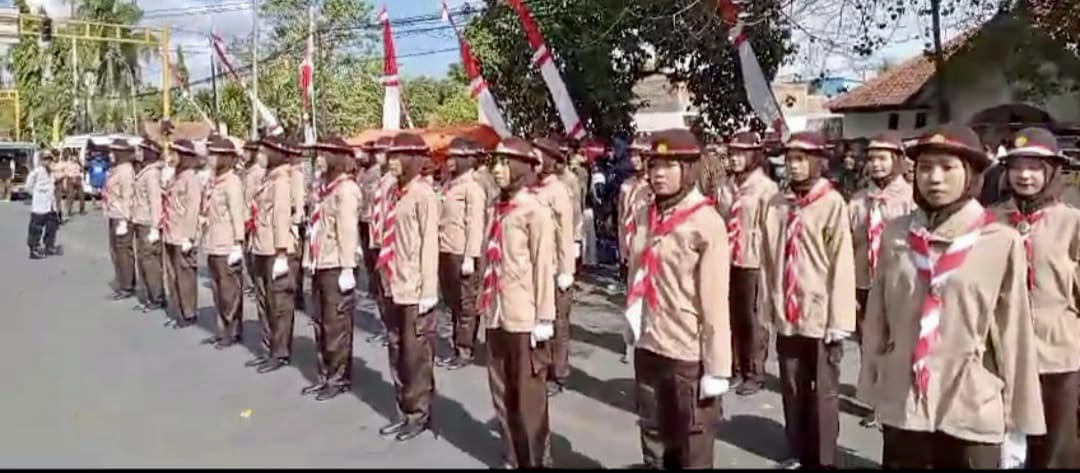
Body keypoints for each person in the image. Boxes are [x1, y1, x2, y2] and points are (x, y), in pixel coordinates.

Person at [859, 124, 1046, 469]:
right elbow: (877, 319)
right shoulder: (897, 235)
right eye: (926, 168)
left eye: (948, 168)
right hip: (906, 398)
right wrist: (872, 382)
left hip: (970, 401)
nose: (934, 178)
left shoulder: (999, 240)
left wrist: (1019, 418)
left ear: (971, 174)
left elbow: (1013, 334)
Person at [623, 129, 731, 468]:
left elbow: (714, 303)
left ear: (689, 169)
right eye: (654, 165)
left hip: (687, 352)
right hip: (650, 343)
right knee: (653, 435)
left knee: (690, 445)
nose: (658, 173)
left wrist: (717, 367)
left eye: (669, 166)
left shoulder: (705, 222)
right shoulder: (648, 213)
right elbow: (637, 271)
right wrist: (633, 320)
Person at [761, 131, 856, 469]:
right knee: (791, 383)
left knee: (823, 390)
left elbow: (842, 265)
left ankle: (822, 458)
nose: (795, 166)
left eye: (802, 160)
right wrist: (768, 307)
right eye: (790, 160)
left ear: (819, 163)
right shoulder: (778, 204)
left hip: (821, 314)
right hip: (788, 311)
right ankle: (797, 448)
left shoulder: (831, 204)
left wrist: (839, 321)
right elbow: (768, 259)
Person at [990, 127, 1079, 468]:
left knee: (1055, 446)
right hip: (1002, 351)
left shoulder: (1072, 223)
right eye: (1017, 167)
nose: (1024, 175)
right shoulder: (991, 220)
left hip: (1057, 352)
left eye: (1035, 167)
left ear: (1052, 171)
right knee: (1001, 443)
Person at [482, 137, 556, 468]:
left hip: (524, 316)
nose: (496, 170)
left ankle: (535, 459)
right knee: (502, 391)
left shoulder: (534, 211)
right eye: (494, 163)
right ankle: (513, 455)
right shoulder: (496, 207)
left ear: (521, 168)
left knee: (529, 397)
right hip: (497, 312)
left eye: (503, 163)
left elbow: (543, 266)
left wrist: (545, 318)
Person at [375, 132, 440, 442]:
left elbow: (429, 245)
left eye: (398, 156)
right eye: (391, 155)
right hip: (393, 282)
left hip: (415, 287)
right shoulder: (394, 192)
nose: (392, 161)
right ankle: (403, 409)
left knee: (415, 354)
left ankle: (419, 413)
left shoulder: (423, 195)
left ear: (413, 160)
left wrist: (428, 290)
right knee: (396, 348)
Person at [847, 132, 915, 428]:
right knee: (870, 341)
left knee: (898, 342)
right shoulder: (860, 200)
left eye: (882, 158)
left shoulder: (911, 199)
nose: (876, 164)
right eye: (872, 158)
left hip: (898, 284)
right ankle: (875, 400)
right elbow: (847, 242)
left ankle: (902, 398)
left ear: (897, 161)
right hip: (864, 282)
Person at [716, 131, 779, 397]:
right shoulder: (726, 186)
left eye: (741, 154)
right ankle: (735, 368)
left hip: (754, 260)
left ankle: (754, 372)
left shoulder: (767, 188)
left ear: (754, 156)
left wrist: (772, 266)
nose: (735, 159)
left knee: (753, 318)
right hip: (728, 258)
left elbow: (772, 231)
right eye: (732, 154)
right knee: (730, 316)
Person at [302, 136, 362, 401]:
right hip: (320, 261)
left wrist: (348, 267)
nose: (319, 158)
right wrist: (308, 258)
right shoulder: (324, 187)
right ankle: (325, 372)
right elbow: (313, 228)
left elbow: (348, 231)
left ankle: (338, 377)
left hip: (337, 263)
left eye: (324, 154)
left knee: (336, 323)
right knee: (320, 322)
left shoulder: (346, 190)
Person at [247, 135, 302, 373]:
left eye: (264, 150)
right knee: (264, 300)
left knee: (278, 303)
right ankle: (268, 346)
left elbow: (281, 216)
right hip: (260, 245)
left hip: (276, 248)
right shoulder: (267, 179)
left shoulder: (282, 181)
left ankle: (280, 351)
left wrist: (281, 252)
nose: (261, 154)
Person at [532, 136, 578, 397]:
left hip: (554, 267)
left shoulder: (559, 190)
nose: (534, 161)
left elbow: (566, 234)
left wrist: (566, 271)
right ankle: (541, 366)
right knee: (540, 319)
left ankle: (558, 373)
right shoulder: (533, 189)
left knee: (558, 323)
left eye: (538, 157)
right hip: (536, 267)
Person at [435, 137, 487, 370]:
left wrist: (470, 257)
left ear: (468, 159)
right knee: (453, 301)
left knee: (466, 302)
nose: (449, 161)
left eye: (455, 156)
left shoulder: (472, 188)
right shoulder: (450, 185)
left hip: (461, 252)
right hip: (445, 249)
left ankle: (465, 348)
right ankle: (458, 343)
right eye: (449, 156)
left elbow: (474, 224)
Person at [201, 137, 246, 350]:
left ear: (226, 158)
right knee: (218, 289)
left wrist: (238, 243)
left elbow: (238, 214)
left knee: (230, 290)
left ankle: (232, 330)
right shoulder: (214, 181)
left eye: (214, 154)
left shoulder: (232, 183)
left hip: (227, 242)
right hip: (212, 241)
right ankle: (222, 330)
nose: (210, 158)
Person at [161, 139, 205, 329]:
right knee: (172, 274)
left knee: (185, 273)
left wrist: (189, 236)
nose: (172, 157)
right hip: (170, 231)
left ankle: (189, 312)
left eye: (175, 153)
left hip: (182, 234)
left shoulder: (190, 178)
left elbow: (192, 208)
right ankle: (178, 308)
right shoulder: (176, 176)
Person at [130, 138, 167, 313]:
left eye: (141, 150)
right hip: (140, 220)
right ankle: (148, 296)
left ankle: (156, 296)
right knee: (143, 260)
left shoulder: (151, 174)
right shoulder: (144, 171)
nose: (138, 153)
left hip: (147, 223)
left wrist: (155, 227)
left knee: (150, 261)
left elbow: (155, 202)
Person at [105, 139, 137, 301]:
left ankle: (127, 285)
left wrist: (125, 219)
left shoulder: (125, 171)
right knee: (116, 251)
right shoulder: (116, 169)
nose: (110, 154)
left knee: (123, 251)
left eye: (114, 151)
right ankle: (122, 281)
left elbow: (128, 196)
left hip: (121, 216)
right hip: (113, 214)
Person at [25, 150, 61, 259]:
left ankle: (49, 246)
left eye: (49, 159)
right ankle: (34, 249)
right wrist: (37, 195)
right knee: (36, 228)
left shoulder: (52, 172)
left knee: (52, 227)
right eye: (45, 159)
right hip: (39, 206)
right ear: (41, 160)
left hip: (50, 205)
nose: (48, 161)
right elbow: (28, 187)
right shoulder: (36, 172)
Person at [242, 140, 266, 297]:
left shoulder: (257, 172)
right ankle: (251, 283)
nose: (244, 155)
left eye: (246, 152)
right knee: (247, 252)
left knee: (251, 253)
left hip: (253, 215)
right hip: (245, 213)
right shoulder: (247, 171)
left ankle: (254, 284)